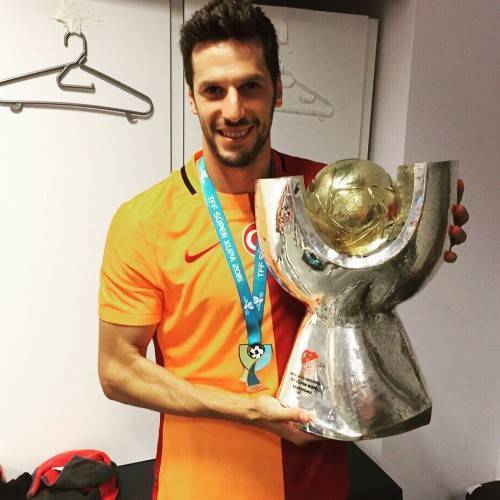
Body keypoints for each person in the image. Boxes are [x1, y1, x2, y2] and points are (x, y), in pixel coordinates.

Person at [97, 2, 468, 499]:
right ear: (192, 98)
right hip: (200, 483)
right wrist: (247, 410)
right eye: (213, 90)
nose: (233, 110)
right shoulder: (143, 220)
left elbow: (378, 283)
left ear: (277, 89)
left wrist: (425, 233)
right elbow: (117, 370)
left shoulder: (329, 196)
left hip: (315, 483)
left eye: (250, 86)